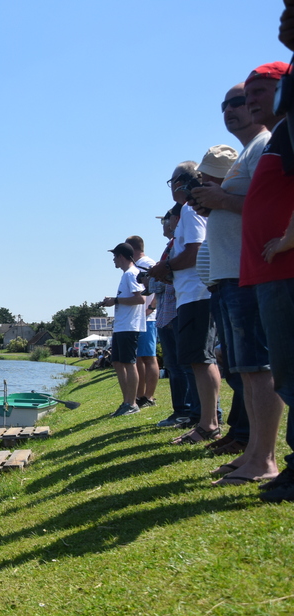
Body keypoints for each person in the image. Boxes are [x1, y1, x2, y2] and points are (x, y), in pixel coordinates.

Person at [190, 79, 282, 485]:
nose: (231, 110)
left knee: (259, 368)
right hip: (232, 276)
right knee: (246, 370)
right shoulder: (248, 151)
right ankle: (252, 452)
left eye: (240, 102)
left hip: (247, 274)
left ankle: (264, 459)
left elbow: (268, 206)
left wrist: (221, 201)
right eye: (225, 105)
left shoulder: (264, 144)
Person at [230, 60, 294, 499]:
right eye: (245, 93)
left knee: (282, 371)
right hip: (264, 273)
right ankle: (266, 456)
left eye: (259, 90)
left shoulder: (286, 133)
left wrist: (290, 236)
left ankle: (272, 460)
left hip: (284, 270)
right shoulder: (278, 139)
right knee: (280, 372)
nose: (251, 100)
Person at [147, 162, 220, 446]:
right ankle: (207, 421)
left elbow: (195, 252)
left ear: (181, 182)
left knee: (201, 360)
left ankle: (209, 423)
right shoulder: (190, 211)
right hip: (192, 295)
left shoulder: (190, 211)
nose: (172, 187)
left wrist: (165, 266)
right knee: (197, 360)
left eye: (172, 181)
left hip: (197, 295)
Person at [152, 206, 196, 427]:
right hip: (167, 313)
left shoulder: (179, 245)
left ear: (175, 220)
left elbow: (160, 280)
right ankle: (182, 410)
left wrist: (158, 275)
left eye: (165, 220)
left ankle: (188, 411)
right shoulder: (171, 245)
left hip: (177, 309)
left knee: (186, 365)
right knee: (175, 366)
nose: (164, 224)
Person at [101, 243, 145, 416]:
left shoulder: (131, 274)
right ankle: (126, 401)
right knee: (118, 363)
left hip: (129, 326)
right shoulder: (126, 275)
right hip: (121, 327)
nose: (113, 260)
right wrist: (113, 300)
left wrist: (116, 301)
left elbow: (140, 299)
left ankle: (132, 403)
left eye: (114, 256)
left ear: (121, 256)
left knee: (129, 363)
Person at [125, 235, 159, 408]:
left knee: (149, 357)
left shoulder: (147, 263)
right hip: (139, 319)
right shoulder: (138, 265)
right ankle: (140, 395)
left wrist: (151, 309)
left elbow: (159, 287)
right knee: (139, 357)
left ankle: (149, 396)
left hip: (148, 318)